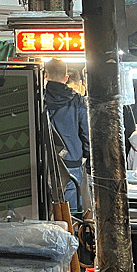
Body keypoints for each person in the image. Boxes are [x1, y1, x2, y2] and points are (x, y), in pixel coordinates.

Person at [44, 58, 90, 213]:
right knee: (72, 209)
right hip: (71, 160)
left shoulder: (36, 98)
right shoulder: (78, 100)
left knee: (46, 205)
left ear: (45, 75)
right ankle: (71, 235)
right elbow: (86, 132)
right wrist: (87, 154)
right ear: (66, 78)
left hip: (43, 161)